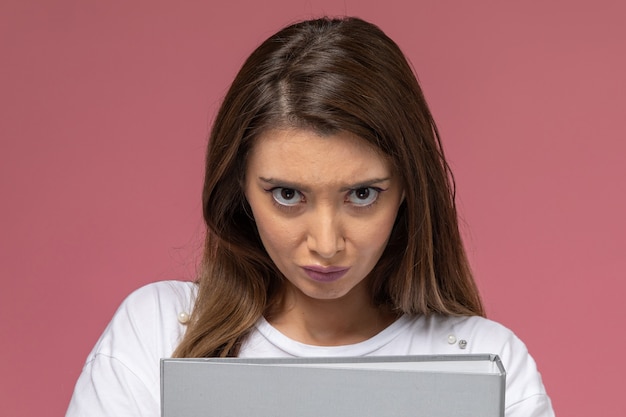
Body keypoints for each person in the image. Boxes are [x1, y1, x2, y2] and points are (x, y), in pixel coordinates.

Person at [66, 16, 555, 416]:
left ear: (407, 187)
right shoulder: (159, 334)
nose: (325, 242)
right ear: (239, 186)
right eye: (286, 195)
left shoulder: (483, 362)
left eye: (362, 194)